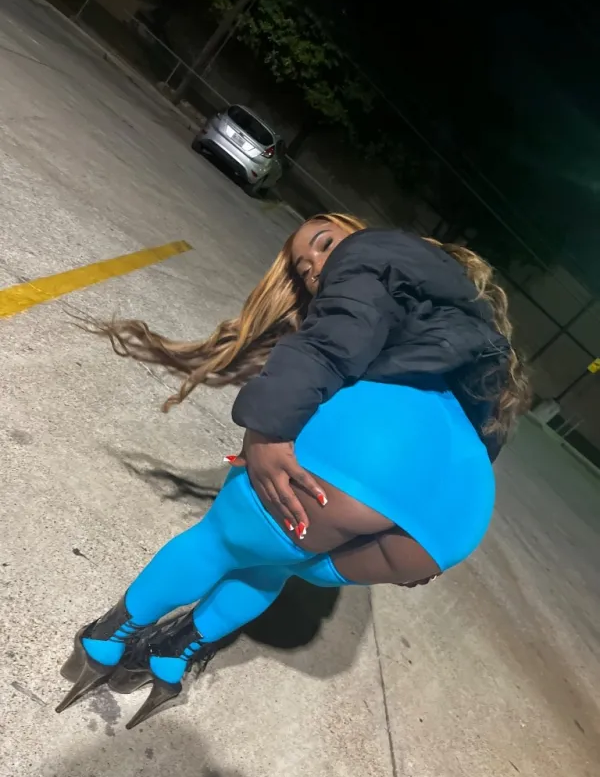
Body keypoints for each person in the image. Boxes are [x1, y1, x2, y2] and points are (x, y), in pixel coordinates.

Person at [56, 213, 530, 729]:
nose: (318, 266)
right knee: (276, 563)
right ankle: (172, 659)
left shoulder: (371, 251)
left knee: (221, 542)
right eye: (305, 271)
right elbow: (490, 425)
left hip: (371, 454)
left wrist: (268, 431)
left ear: (356, 229)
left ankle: (103, 645)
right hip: (452, 517)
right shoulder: (473, 318)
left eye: (325, 243)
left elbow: (334, 339)